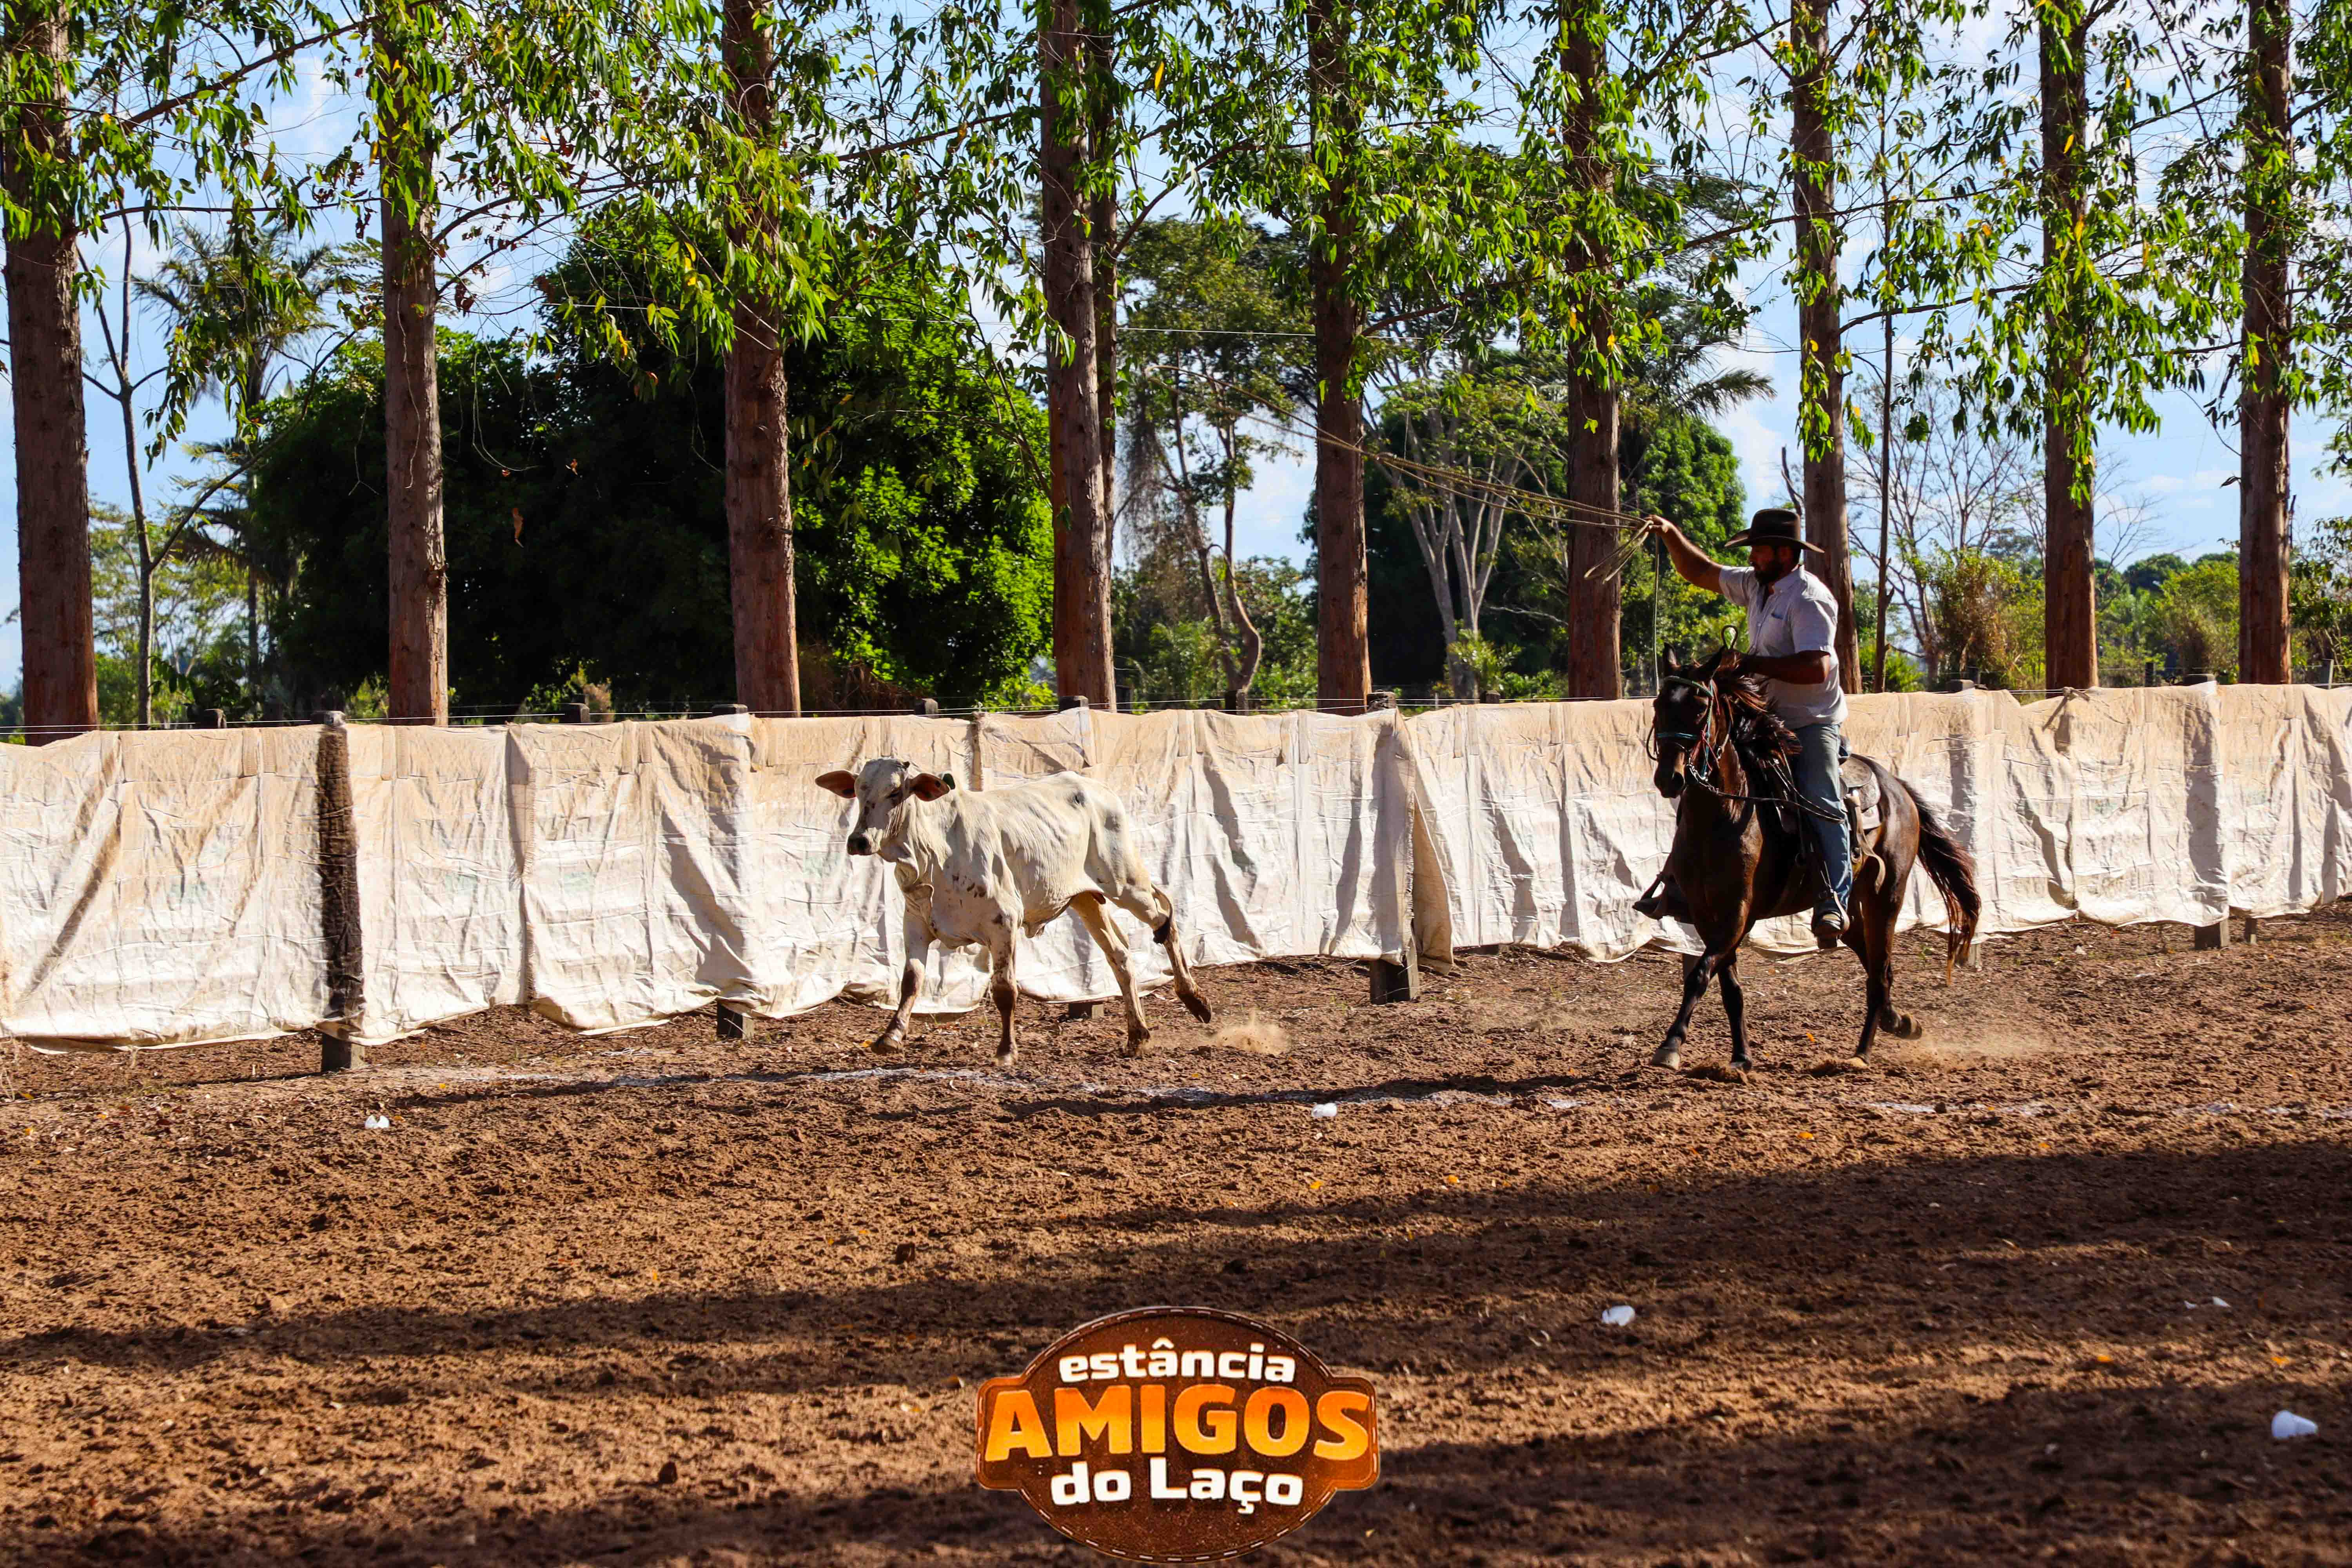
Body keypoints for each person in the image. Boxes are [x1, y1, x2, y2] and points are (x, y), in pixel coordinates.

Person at [1641, 505, 1852, 945]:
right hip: (1762, 716)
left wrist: (1750, 663)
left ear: (1783, 553)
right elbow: (1701, 571)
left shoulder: (1809, 598)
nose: (1752, 557)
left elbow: (1818, 668)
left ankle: (1833, 897)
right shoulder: (1757, 585)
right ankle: (1679, 882)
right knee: (1703, 774)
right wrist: (1670, 534)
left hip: (1810, 723)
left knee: (1821, 799)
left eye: (1759, 550)